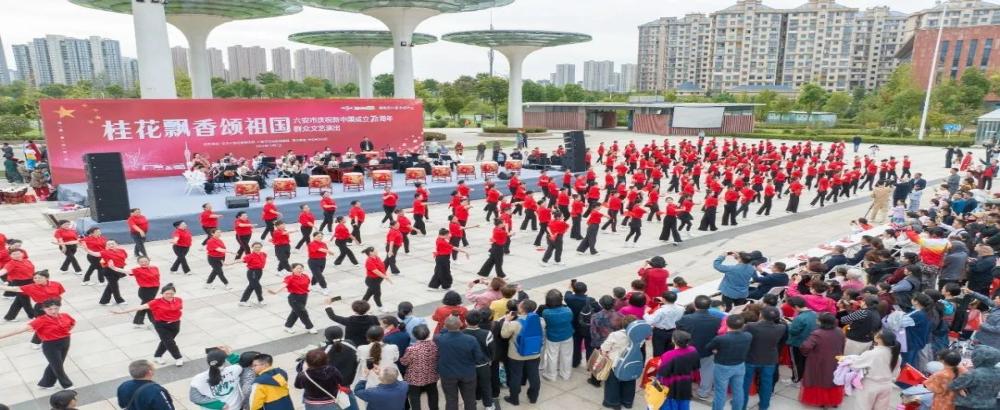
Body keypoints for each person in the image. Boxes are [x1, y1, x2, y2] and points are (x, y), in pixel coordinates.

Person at [0, 299, 75, 389]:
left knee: (55, 364)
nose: (53, 311)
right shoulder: (41, 320)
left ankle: (46, 383)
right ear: (44, 309)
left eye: (56, 308)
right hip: (51, 345)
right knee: (57, 366)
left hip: (65, 342)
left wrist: (66, 331)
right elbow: (20, 330)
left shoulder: (65, 315)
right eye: (50, 309)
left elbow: (72, 323)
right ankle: (67, 385)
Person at [114, 283, 185, 366]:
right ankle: (178, 358)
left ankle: (157, 356)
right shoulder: (156, 302)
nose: (169, 295)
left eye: (171, 293)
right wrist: (121, 312)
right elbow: (139, 307)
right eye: (167, 293)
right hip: (161, 325)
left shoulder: (178, 299)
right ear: (162, 293)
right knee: (170, 342)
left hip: (175, 323)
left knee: (166, 342)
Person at [676, 295, 722, 399]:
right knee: (707, 371)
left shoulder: (686, 318)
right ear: (709, 306)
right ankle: (704, 392)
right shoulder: (717, 320)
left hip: (689, 350)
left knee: (684, 370)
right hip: (708, 350)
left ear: (695, 305)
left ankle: (683, 391)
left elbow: (678, 329)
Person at [435, 316, 485, 410]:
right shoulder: (471, 339)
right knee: (470, 399)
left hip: (447, 374)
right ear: (461, 324)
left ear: (445, 326)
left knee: (451, 400)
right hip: (467, 373)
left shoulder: (439, 339)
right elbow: (479, 358)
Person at [602, 315, 651, 410]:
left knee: (613, 384)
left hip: (615, 364)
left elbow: (604, 348)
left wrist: (605, 354)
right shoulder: (640, 336)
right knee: (629, 383)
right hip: (632, 362)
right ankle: (627, 402)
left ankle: (613, 403)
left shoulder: (615, 335)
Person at [501, 299, 544, 406]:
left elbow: (504, 335)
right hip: (534, 353)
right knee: (534, 375)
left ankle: (514, 399)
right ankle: (533, 397)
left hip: (517, 355)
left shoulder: (516, 323)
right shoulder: (541, 321)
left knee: (516, 376)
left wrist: (506, 321)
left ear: (522, 309)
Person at [741, 306, 786, 410]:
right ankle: (764, 405)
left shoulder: (750, 326)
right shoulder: (781, 327)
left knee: (745, 382)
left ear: (761, 315)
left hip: (751, 358)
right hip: (770, 359)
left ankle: (742, 405)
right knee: (767, 383)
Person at [705, 314, 752, 410]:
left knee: (720, 392)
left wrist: (715, 351)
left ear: (726, 323)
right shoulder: (748, 336)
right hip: (740, 365)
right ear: (743, 325)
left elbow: (708, 347)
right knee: (738, 390)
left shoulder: (721, 338)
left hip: (723, 366)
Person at [798, 313, 845, 408]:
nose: (816, 321)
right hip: (835, 359)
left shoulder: (817, 333)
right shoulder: (839, 331)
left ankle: (822, 401)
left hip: (819, 361)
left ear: (822, 322)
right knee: (832, 379)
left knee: (819, 380)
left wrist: (804, 350)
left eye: (818, 319)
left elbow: (806, 347)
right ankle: (833, 401)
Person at [655, 330, 700, 410]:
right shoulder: (693, 350)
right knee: (684, 403)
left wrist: (660, 365)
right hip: (686, 382)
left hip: (671, 384)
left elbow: (663, 372)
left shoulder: (668, 355)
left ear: (673, 340)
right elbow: (696, 366)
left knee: (670, 404)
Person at [268, 263, 316, 334]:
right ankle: (310, 327)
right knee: (303, 312)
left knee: (295, 313)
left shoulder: (305, 276)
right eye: (297, 268)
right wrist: (276, 291)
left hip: (304, 297)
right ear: (292, 269)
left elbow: (307, 284)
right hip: (294, 298)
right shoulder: (289, 278)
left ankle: (287, 326)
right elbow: (284, 285)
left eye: (301, 268)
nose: (299, 270)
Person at [400, 324, 439, 410]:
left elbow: (404, 362)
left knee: (414, 397)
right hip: (431, 374)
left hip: (414, 377)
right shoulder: (434, 345)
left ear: (414, 335)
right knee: (433, 393)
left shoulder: (412, 349)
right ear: (428, 334)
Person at [948, 345, 1000, 410]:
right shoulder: (998, 372)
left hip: (968, 405)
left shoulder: (974, 374)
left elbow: (953, 386)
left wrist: (960, 370)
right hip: (990, 405)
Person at [539, 289, 574, 382]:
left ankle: (551, 375)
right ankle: (566, 374)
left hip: (552, 336)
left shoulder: (546, 312)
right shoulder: (568, 310)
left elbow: (545, 323)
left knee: (552, 355)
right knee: (567, 355)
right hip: (567, 335)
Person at [786, 296, 816, 384]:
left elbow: (793, 331)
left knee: (796, 363)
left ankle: (796, 379)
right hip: (809, 342)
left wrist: (789, 325)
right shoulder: (814, 314)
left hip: (796, 343)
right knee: (805, 362)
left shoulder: (799, 318)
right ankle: (804, 378)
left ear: (796, 307)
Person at [361, 246, 393, 313]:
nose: (377, 251)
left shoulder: (377, 258)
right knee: (377, 294)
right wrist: (386, 277)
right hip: (372, 280)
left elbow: (382, 266)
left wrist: (388, 257)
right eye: (375, 250)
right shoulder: (369, 261)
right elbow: (376, 271)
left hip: (378, 280)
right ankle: (380, 307)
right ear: (371, 253)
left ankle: (360, 307)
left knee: (368, 294)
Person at [238, 242, 268, 307]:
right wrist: (229, 264)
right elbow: (241, 260)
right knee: (257, 286)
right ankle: (260, 300)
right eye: (256, 247)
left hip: (259, 272)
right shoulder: (250, 256)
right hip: (252, 272)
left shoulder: (264, 254)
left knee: (251, 286)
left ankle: (243, 301)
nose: (257, 248)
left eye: (259, 247)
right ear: (252, 248)